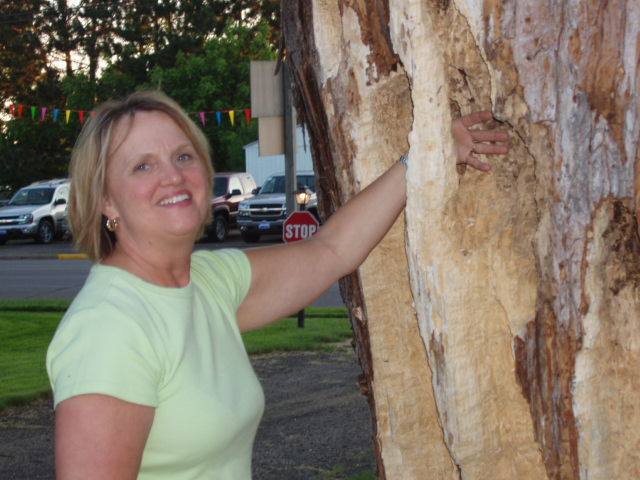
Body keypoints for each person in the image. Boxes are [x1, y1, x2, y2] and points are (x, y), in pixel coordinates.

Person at [46, 90, 508, 479]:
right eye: (142, 166)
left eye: (183, 155)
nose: (173, 175)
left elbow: (330, 253)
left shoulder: (206, 283)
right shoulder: (110, 327)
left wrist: (423, 158)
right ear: (106, 199)